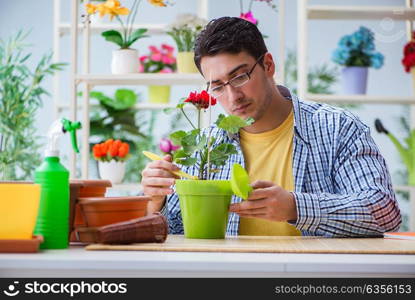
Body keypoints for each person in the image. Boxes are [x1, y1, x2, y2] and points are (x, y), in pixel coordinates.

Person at [141, 16, 401, 237]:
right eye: (218, 86)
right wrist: (155, 202)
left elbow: (383, 211)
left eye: (240, 77)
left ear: (268, 65)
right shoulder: (206, 146)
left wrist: (295, 207)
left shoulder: (338, 128)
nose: (233, 97)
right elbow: (175, 230)